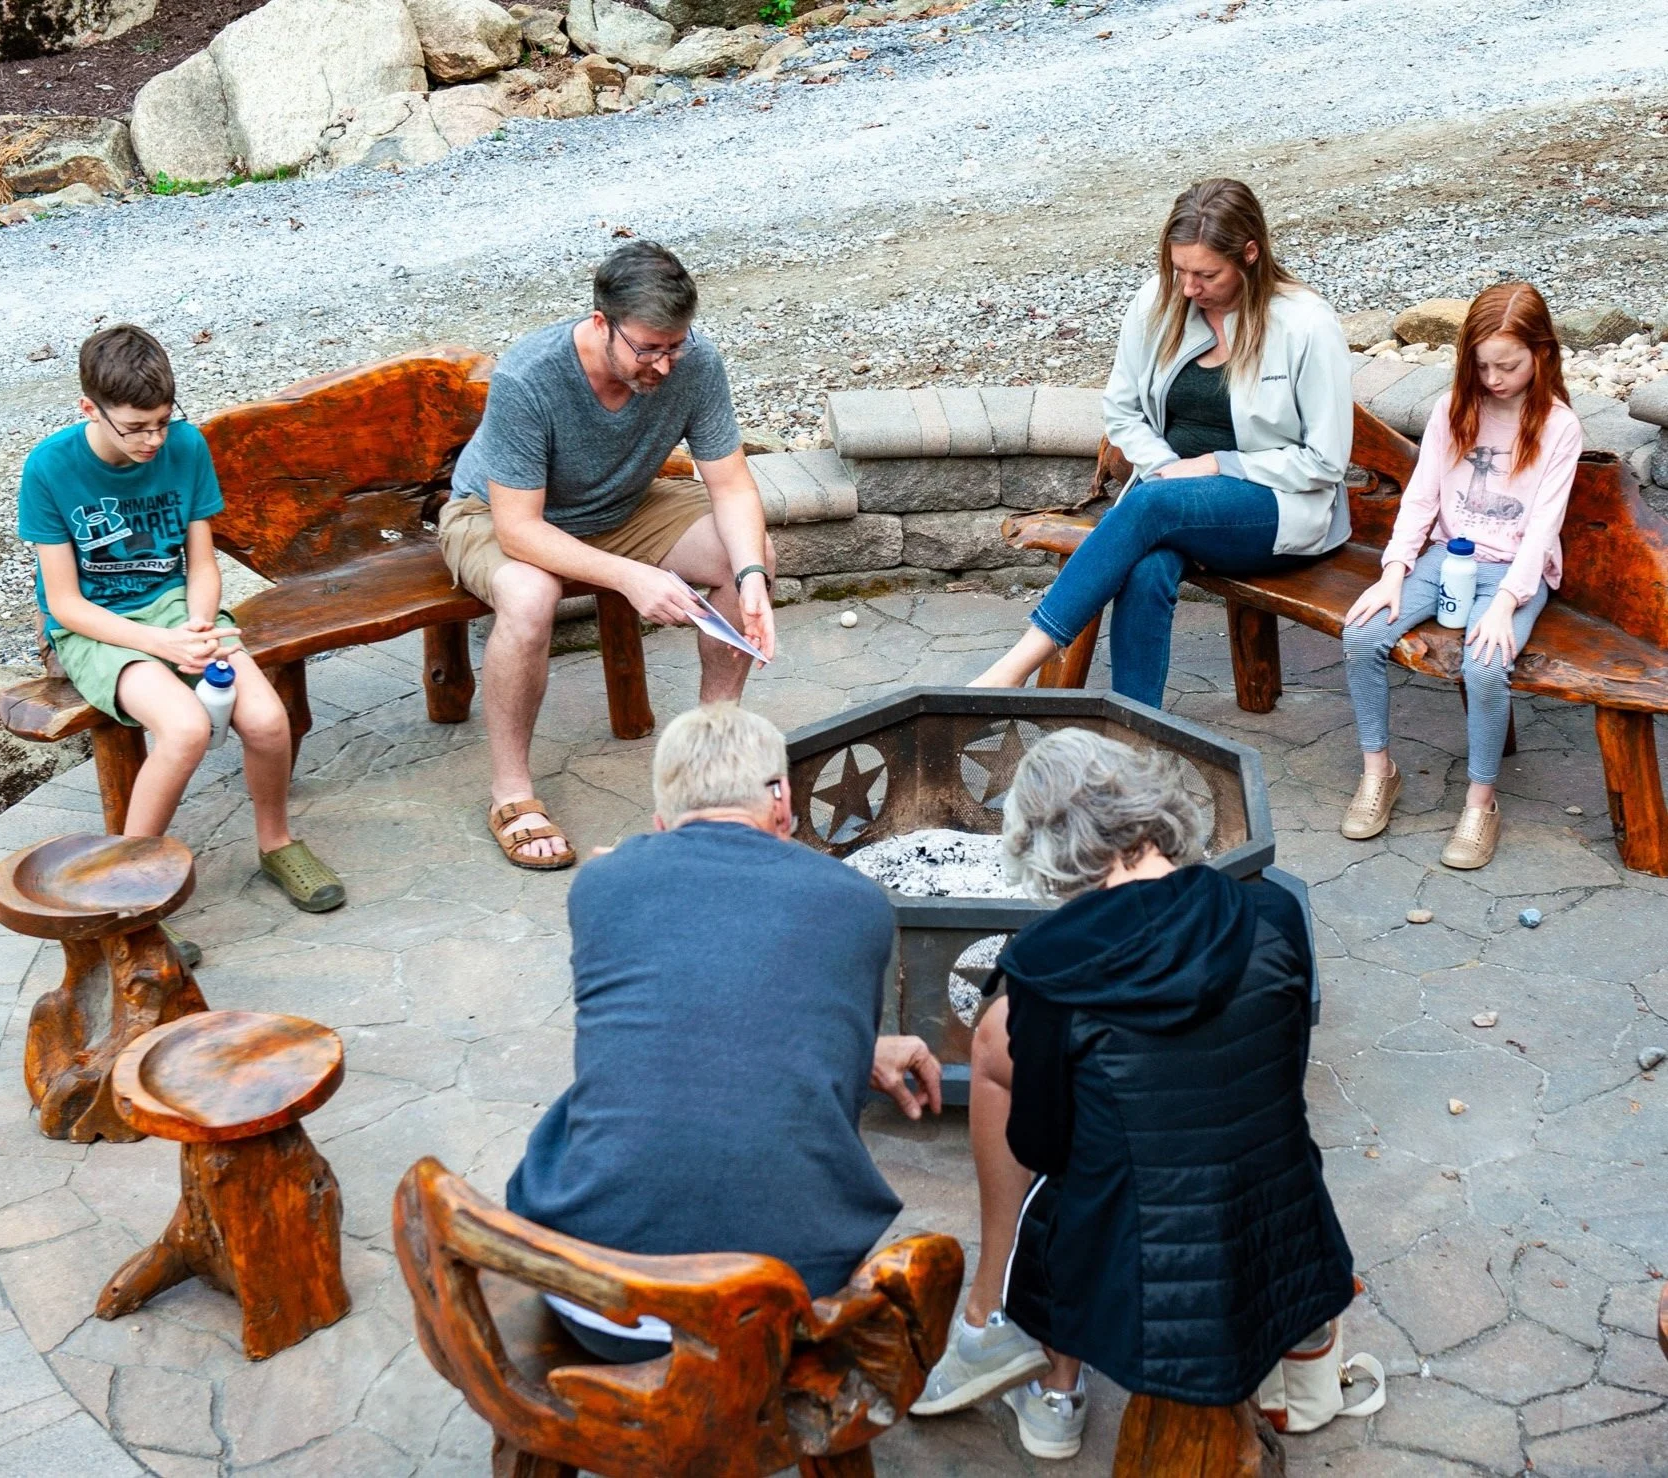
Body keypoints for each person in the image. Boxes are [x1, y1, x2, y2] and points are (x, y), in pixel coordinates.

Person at [913, 728, 1353, 1461]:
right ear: (1151, 809)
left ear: (1040, 842)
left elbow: (1042, 1146)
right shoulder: (1272, 915)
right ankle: (1300, 1347)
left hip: (1138, 1279)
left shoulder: (1044, 971)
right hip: (1283, 1228)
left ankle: (1031, 1362)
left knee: (1022, 1097)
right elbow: (1283, 1074)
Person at [505, 702, 942, 1363]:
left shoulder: (598, 883)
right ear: (783, 803)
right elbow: (794, 1042)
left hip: (596, 1299)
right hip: (781, 1307)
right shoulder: (858, 903)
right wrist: (864, 1051)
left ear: (659, 823)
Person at [440, 241, 777, 872]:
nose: (666, 365)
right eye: (648, 349)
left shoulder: (694, 362)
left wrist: (754, 576)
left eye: (675, 345)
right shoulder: (530, 375)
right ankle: (511, 794)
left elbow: (730, 484)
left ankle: (709, 761)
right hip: (497, 515)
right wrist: (632, 577)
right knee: (530, 595)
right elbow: (519, 531)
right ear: (601, 323)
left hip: (623, 508)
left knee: (747, 554)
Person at [17, 326, 344, 960]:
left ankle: (276, 843)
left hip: (176, 607)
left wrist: (196, 625)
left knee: (269, 721)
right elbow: (65, 603)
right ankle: (129, 890)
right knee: (187, 728)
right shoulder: (51, 468)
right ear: (90, 409)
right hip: (95, 625)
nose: (154, 440)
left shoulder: (186, 447)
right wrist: (160, 646)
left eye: (164, 421)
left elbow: (200, 563)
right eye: (136, 427)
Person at [973, 179, 1353, 706]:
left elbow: (1325, 461)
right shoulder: (1158, 301)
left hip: (1276, 507)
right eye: (1180, 271)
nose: (1189, 288)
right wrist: (1166, 466)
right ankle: (1136, 738)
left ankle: (1015, 665)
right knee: (1147, 567)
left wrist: (1215, 465)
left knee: (1152, 506)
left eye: (1206, 274)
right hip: (1170, 495)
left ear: (1249, 255)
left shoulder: (1305, 324)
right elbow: (1122, 412)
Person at [1340, 282, 1581, 869]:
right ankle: (1380, 772)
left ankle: (1480, 803)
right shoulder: (1454, 409)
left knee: (1485, 661)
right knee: (1363, 632)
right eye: (1482, 365)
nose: (1494, 379)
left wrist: (1505, 604)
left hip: (1513, 572)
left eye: (1508, 365)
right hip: (1450, 556)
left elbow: (1544, 528)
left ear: (1542, 355)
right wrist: (1393, 571)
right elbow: (1422, 499)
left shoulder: (1558, 426)